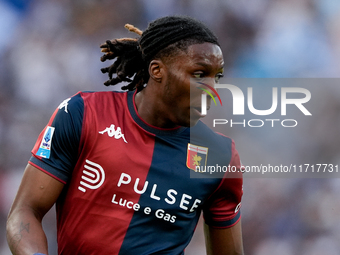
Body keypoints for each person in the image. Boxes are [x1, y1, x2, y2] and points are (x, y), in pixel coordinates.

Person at [6, 15, 244, 255]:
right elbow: (25, 213)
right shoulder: (84, 113)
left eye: (218, 77)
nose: (213, 90)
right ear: (157, 70)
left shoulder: (220, 158)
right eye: (200, 74)